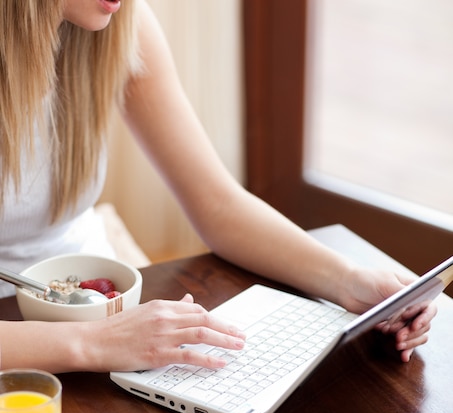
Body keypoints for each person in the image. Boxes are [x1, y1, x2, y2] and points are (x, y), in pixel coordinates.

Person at [0, 0, 436, 374]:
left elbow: (218, 204)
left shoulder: (121, 26)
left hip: (103, 309)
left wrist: (349, 280)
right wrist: (93, 343)